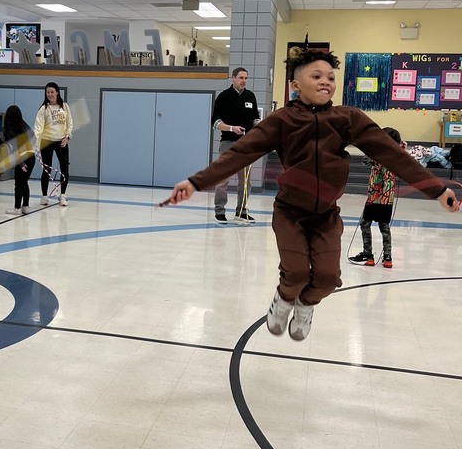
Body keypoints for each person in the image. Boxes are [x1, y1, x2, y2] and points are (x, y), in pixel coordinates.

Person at [166, 48, 458, 342]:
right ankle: (283, 300)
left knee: (329, 278)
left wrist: (437, 189)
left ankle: (305, 306)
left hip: (326, 217)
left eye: (330, 77)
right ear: (295, 84)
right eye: (316, 76)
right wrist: (195, 182)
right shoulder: (282, 120)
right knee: (295, 274)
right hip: (290, 213)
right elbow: (240, 153)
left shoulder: (347, 118)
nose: (325, 82)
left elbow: (391, 153)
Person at [349, 126, 405, 269]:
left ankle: (368, 256)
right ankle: (387, 258)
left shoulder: (378, 154)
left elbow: (365, 161)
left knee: (365, 223)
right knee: (384, 226)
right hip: (387, 197)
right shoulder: (398, 155)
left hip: (375, 195)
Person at [211, 67, 261, 224]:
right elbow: (215, 123)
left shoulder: (250, 97)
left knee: (245, 181)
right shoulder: (224, 97)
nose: (244, 81)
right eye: (241, 77)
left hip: (247, 145)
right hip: (228, 143)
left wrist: (259, 125)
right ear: (233, 78)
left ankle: (242, 211)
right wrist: (232, 128)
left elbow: (254, 118)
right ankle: (220, 211)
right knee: (223, 179)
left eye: (246, 78)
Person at [34, 81, 73, 207]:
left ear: (57, 92)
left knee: (64, 169)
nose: (50, 94)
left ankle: (62, 195)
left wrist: (67, 136)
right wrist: (37, 144)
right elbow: (38, 128)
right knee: (47, 169)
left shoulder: (65, 106)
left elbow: (69, 123)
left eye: (52, 92)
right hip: (47, 141)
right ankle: (44, 196)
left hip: (61, 142)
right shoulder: (43, 109)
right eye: (47, 92)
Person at [1, 105, 35, 216]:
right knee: (24, 182)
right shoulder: (24, 125)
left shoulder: (10, 130)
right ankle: (25, 206)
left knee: (19, 184)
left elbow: (12, 149)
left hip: (22, 158)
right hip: (31, 157)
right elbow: (33, 135)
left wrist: (20, 163)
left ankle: (17, 207)